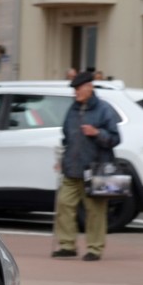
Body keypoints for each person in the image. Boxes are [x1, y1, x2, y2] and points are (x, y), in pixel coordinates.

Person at [53, 70, 120, 261]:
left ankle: (95, 248)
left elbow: (115, 138)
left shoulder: (103, 109)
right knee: (64, 204)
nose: (75, 93)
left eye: (78, 89)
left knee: (95, 211)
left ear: (89, 87)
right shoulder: (72, 110)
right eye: (74, 90)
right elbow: (67, 137)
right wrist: (61, 161)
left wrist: (96, 133)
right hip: (72, 168)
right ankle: (67, 245)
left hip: (94, 169)